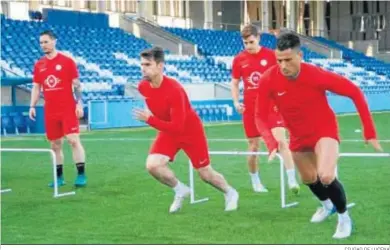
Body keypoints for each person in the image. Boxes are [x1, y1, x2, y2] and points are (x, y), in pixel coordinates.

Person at [255, 33, 383, 239]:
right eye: (279, 60)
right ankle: (326, 205)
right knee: (308, 179)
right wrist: (272, 143)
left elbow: (355, 92)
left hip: (324, 131)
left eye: (288, 60)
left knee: (325, 175)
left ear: (300, 56)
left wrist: (369, 132)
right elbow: (259, 116)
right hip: (297, 136)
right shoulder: (268, 79)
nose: (283, 65)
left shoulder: (316, 75)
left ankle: (344, 217)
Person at [133, 46, 239, 213]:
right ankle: (180, 189)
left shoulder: (175, 90)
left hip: (190, 131)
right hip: (169, 130)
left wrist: (150, 120)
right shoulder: (143, 87)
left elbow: (178, 126)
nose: (143, 68)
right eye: (142, 64)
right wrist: (155, 120)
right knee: (153, 165)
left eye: (147, 64)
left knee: (205, 174)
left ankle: (230, 193)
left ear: (160, 66)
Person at [230, 24, 299, 193]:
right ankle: (255, 181)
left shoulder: (271, 55)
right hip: (251, 110)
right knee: (253, 147)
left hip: (271, 107)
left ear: (258, 38)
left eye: (251, 42)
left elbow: (284, 74)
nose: (248, 46)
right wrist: (236, 102)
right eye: (245, 43)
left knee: (282, 141)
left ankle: (292, 181)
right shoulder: (239, 59)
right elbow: (235, 82)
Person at [30, 30, 87, 187]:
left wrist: (79, 103)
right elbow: (36, 87)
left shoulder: (67, 62)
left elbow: (76, 85)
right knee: (54, 144)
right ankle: (59, 177)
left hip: (67, 107)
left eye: (46, 42)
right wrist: (32, 106)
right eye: (41, 43)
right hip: (50, 109)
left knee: (73, 140)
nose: (43, 45)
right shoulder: (39, 65)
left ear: (54, 41)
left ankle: (81, 174)